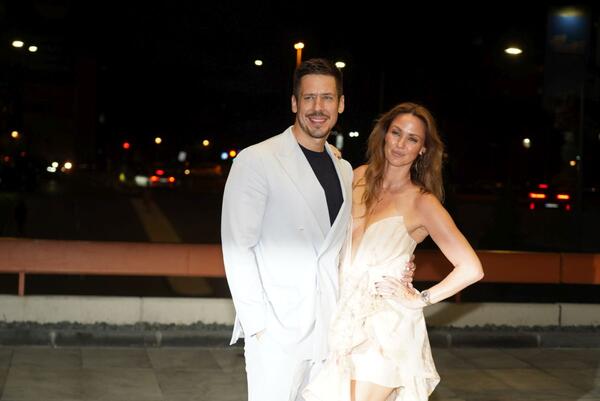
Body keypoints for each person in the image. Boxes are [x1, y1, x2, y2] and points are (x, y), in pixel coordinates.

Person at [221, 58, 415, 401]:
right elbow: (237, 246)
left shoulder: (343, 170)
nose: (317, 107)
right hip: (277, 331)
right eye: (309, 98)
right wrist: (258, 326)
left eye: (327, 98)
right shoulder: (257, 159)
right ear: (294, 103)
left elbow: (341, 246)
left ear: (340, 104)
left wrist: (395, 266)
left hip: (330, 329)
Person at [304, 102, 484, 401]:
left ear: (423, 149)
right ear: (384, 134)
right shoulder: (357, 177)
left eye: (412, 139)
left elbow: (471, 268)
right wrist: (329, 159)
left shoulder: (422, 202)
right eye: (396, 133)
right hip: (342, 315)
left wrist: (420, 299)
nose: (400, 144)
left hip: (387, 323)